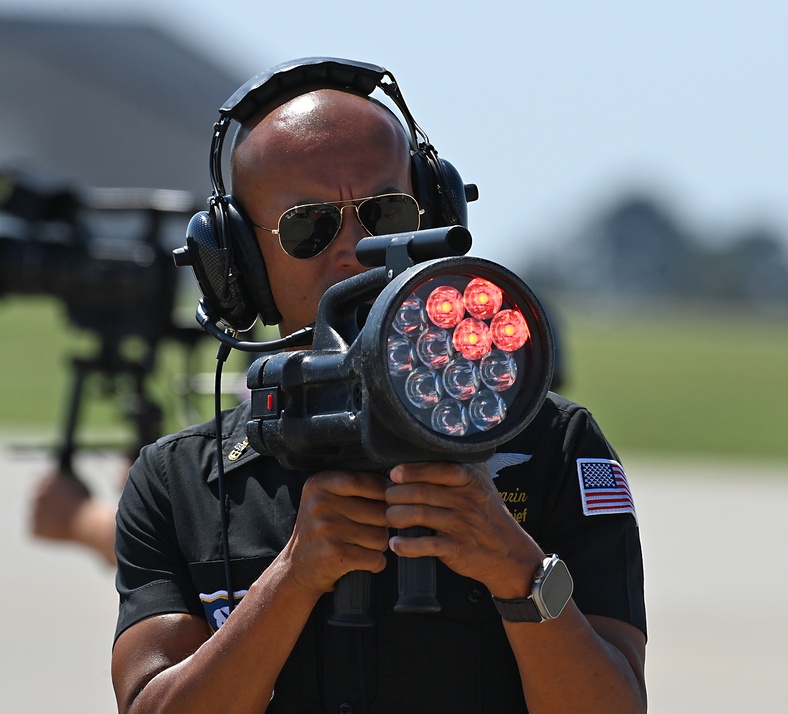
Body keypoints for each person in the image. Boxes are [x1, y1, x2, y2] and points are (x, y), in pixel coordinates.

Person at [111, 58, 646, 713]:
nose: (355, 249)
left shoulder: (552, 444)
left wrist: (516, 570)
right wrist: (291, 579)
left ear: (431, 214)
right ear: (239, 263)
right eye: (310, 226)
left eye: (386, 212)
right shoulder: (179, 482)